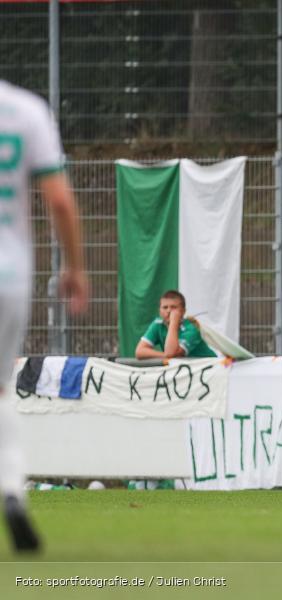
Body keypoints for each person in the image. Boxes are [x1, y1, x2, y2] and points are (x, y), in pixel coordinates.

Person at [0, 80, 89, 552]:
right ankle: (12, 491)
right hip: (10, 276)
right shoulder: (25, 110)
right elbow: (58, 199)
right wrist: (74, 266)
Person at [134, 290, 216, 359]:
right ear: (159, 311)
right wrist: (164, 356)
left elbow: (171, 353)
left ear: (183, 311)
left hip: (210, 370)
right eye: (165, 307)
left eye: (173, 307)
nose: (169, 311)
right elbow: (139, 352)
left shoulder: (191, 328)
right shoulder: (158, 324)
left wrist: (173, 322)